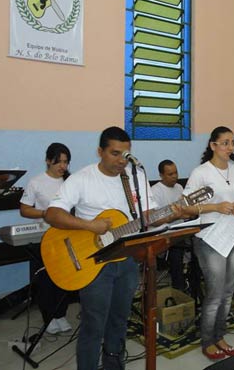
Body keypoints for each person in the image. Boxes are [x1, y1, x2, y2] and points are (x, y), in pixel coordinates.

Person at [46, 127, 159, 370]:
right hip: (92, 262)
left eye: (125, 155)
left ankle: (113, 365)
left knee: (119, 320)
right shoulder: (82, 179)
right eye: (114, 153)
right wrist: (89, 225)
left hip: (127, 260)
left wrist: (176, 211)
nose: (121, 160)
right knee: (94, 324)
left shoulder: (135, 177)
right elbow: (52, 214)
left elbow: (148, 215)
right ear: (100, 151)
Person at [181, 126, 234, 360]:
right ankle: (207, 341)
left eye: (233, 143)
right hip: (210, 238)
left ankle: (220, 335)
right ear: (213, 145)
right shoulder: (201, 173)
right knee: (215, 293)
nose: (230, 147)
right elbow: (186, 206)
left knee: (228, 292)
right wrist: (215, 207)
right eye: (225, 143)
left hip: (233, 236)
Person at [20, 143, 73, 334]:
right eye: (58, 162)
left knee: (65, 277)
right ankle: (49, 317)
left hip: (68, 237)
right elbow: (24, 209)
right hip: (46, 237)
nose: (62, 166)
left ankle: (61, 314)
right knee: (47, 279)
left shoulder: (70, 182)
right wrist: (45, 213)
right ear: (48, 161)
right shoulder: (36, 182)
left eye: (66, 162)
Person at [151, 159, 190, 291]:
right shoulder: (155, 191)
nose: (175, 176)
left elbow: (184, 211)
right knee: (176, 252)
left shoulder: (179, 187)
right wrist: (174, 217)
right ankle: (179, 289)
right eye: (170, 174)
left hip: (180, 230)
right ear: (161, 175)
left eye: (176, 172)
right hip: (163, 233)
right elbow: (154, 219)